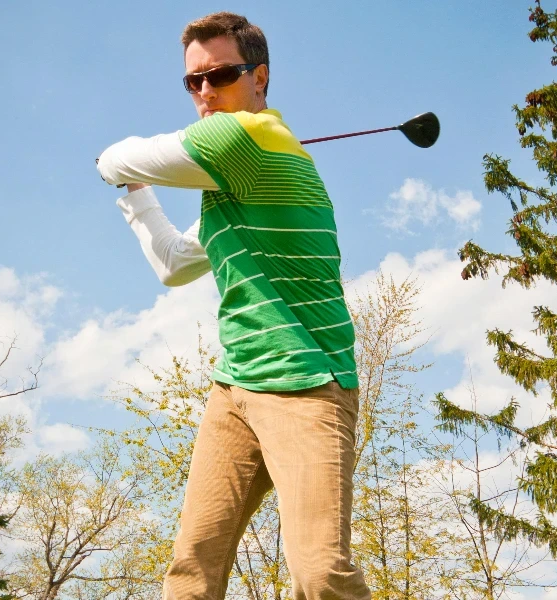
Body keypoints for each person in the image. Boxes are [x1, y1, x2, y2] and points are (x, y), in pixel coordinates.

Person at [96, 12, 371, 600]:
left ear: (260, 76)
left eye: (218, 75)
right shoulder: (231, 183)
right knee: (191, 572)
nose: (204, 92)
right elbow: (173, 263)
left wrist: (111, 168)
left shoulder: (244, 136)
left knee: (322, 576)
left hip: (307, 385)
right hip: (235, 388)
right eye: (191, 81)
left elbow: (118, 157)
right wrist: (138, 197)